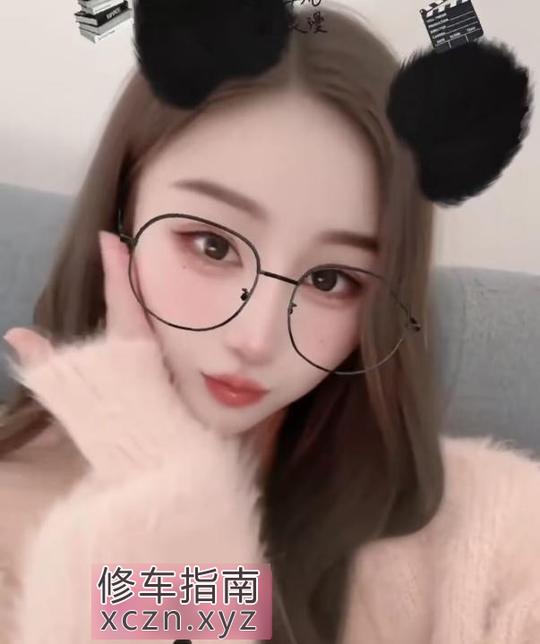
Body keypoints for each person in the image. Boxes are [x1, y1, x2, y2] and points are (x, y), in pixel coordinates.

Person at [0, 1, 538, 643]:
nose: (256, 338)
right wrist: (161, 486)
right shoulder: (12, 524)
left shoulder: (497, 529)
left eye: (329, 280)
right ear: (120, 216)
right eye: (213, 246)